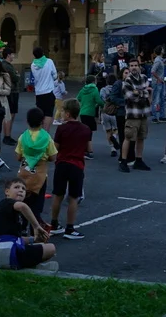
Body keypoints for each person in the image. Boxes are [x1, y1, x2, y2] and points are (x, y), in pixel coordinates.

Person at [0, 177, 57, 270]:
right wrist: (36, 226)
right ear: (7, 192)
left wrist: (34, 239)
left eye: (23, 189)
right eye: (16, 187)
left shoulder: (8, 210)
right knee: (51, 248)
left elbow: (15, 238)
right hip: (8, 253)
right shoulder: (7, 202)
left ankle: (33, 266)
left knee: (37, 245)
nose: (21, 190)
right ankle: (34, 266)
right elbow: (22, 206)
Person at [48, 99, 88, 239]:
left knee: (57, 194)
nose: (61, 113)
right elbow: (89, 149)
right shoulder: (85, 129)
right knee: (73, 197)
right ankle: (70, 228)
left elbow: (55, 148)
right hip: (77, 165)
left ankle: (54, 224)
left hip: (62, 163)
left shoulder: (61, 129)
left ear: (68, 113)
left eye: (63, 111)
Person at [15, 106, 56, 227]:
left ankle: (23, 227)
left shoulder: (23, 137)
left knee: (24, 199)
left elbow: (18, 156)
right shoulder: (46, 138)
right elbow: (53, 157)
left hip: (24, 172)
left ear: (27, 121)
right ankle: (36, 230)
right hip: (40, 175)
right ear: (42, 121)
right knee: (36, 204)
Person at [120, 64, 153, 172]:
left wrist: (138, 92)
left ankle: (138, 160)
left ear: (139, 67)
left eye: (136, 65)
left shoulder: (144, 78)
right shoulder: (127, 81)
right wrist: (143, 92)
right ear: (129, 67)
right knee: (128, 137)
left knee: (141, 137)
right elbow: (131, 97)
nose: (134, 67)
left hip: (144, 113)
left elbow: (149, 91)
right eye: (131, 66)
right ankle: (123, 161)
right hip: (132, 114)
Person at [31, 47, 60, 132]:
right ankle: (45, 133)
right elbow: (55, 75)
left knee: (41, 113)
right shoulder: (49, 61)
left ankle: (39, 131)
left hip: (39, 92)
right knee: (48, 114)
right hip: (48, 91)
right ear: (43, 53)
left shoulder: (33, 65)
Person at [76, 74, 101, 159]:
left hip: (83, 112)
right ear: (94, 81)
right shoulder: (95, 89)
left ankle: (84, 150)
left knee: (85, 131)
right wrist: (102, 105)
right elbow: (98, 100)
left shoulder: (83, 89)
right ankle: (89, 151)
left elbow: (78, 98)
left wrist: (84, 103)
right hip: (90, 112)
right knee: (89, 132)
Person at [150, 47, 166, 123]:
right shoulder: (158, 60)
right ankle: (154, 117)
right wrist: (158, 78)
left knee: (162, 99)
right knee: (157, 99)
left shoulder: (160, 60)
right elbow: (153, 71)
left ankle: (161, 116)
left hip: (160, 82)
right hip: (157, 82)